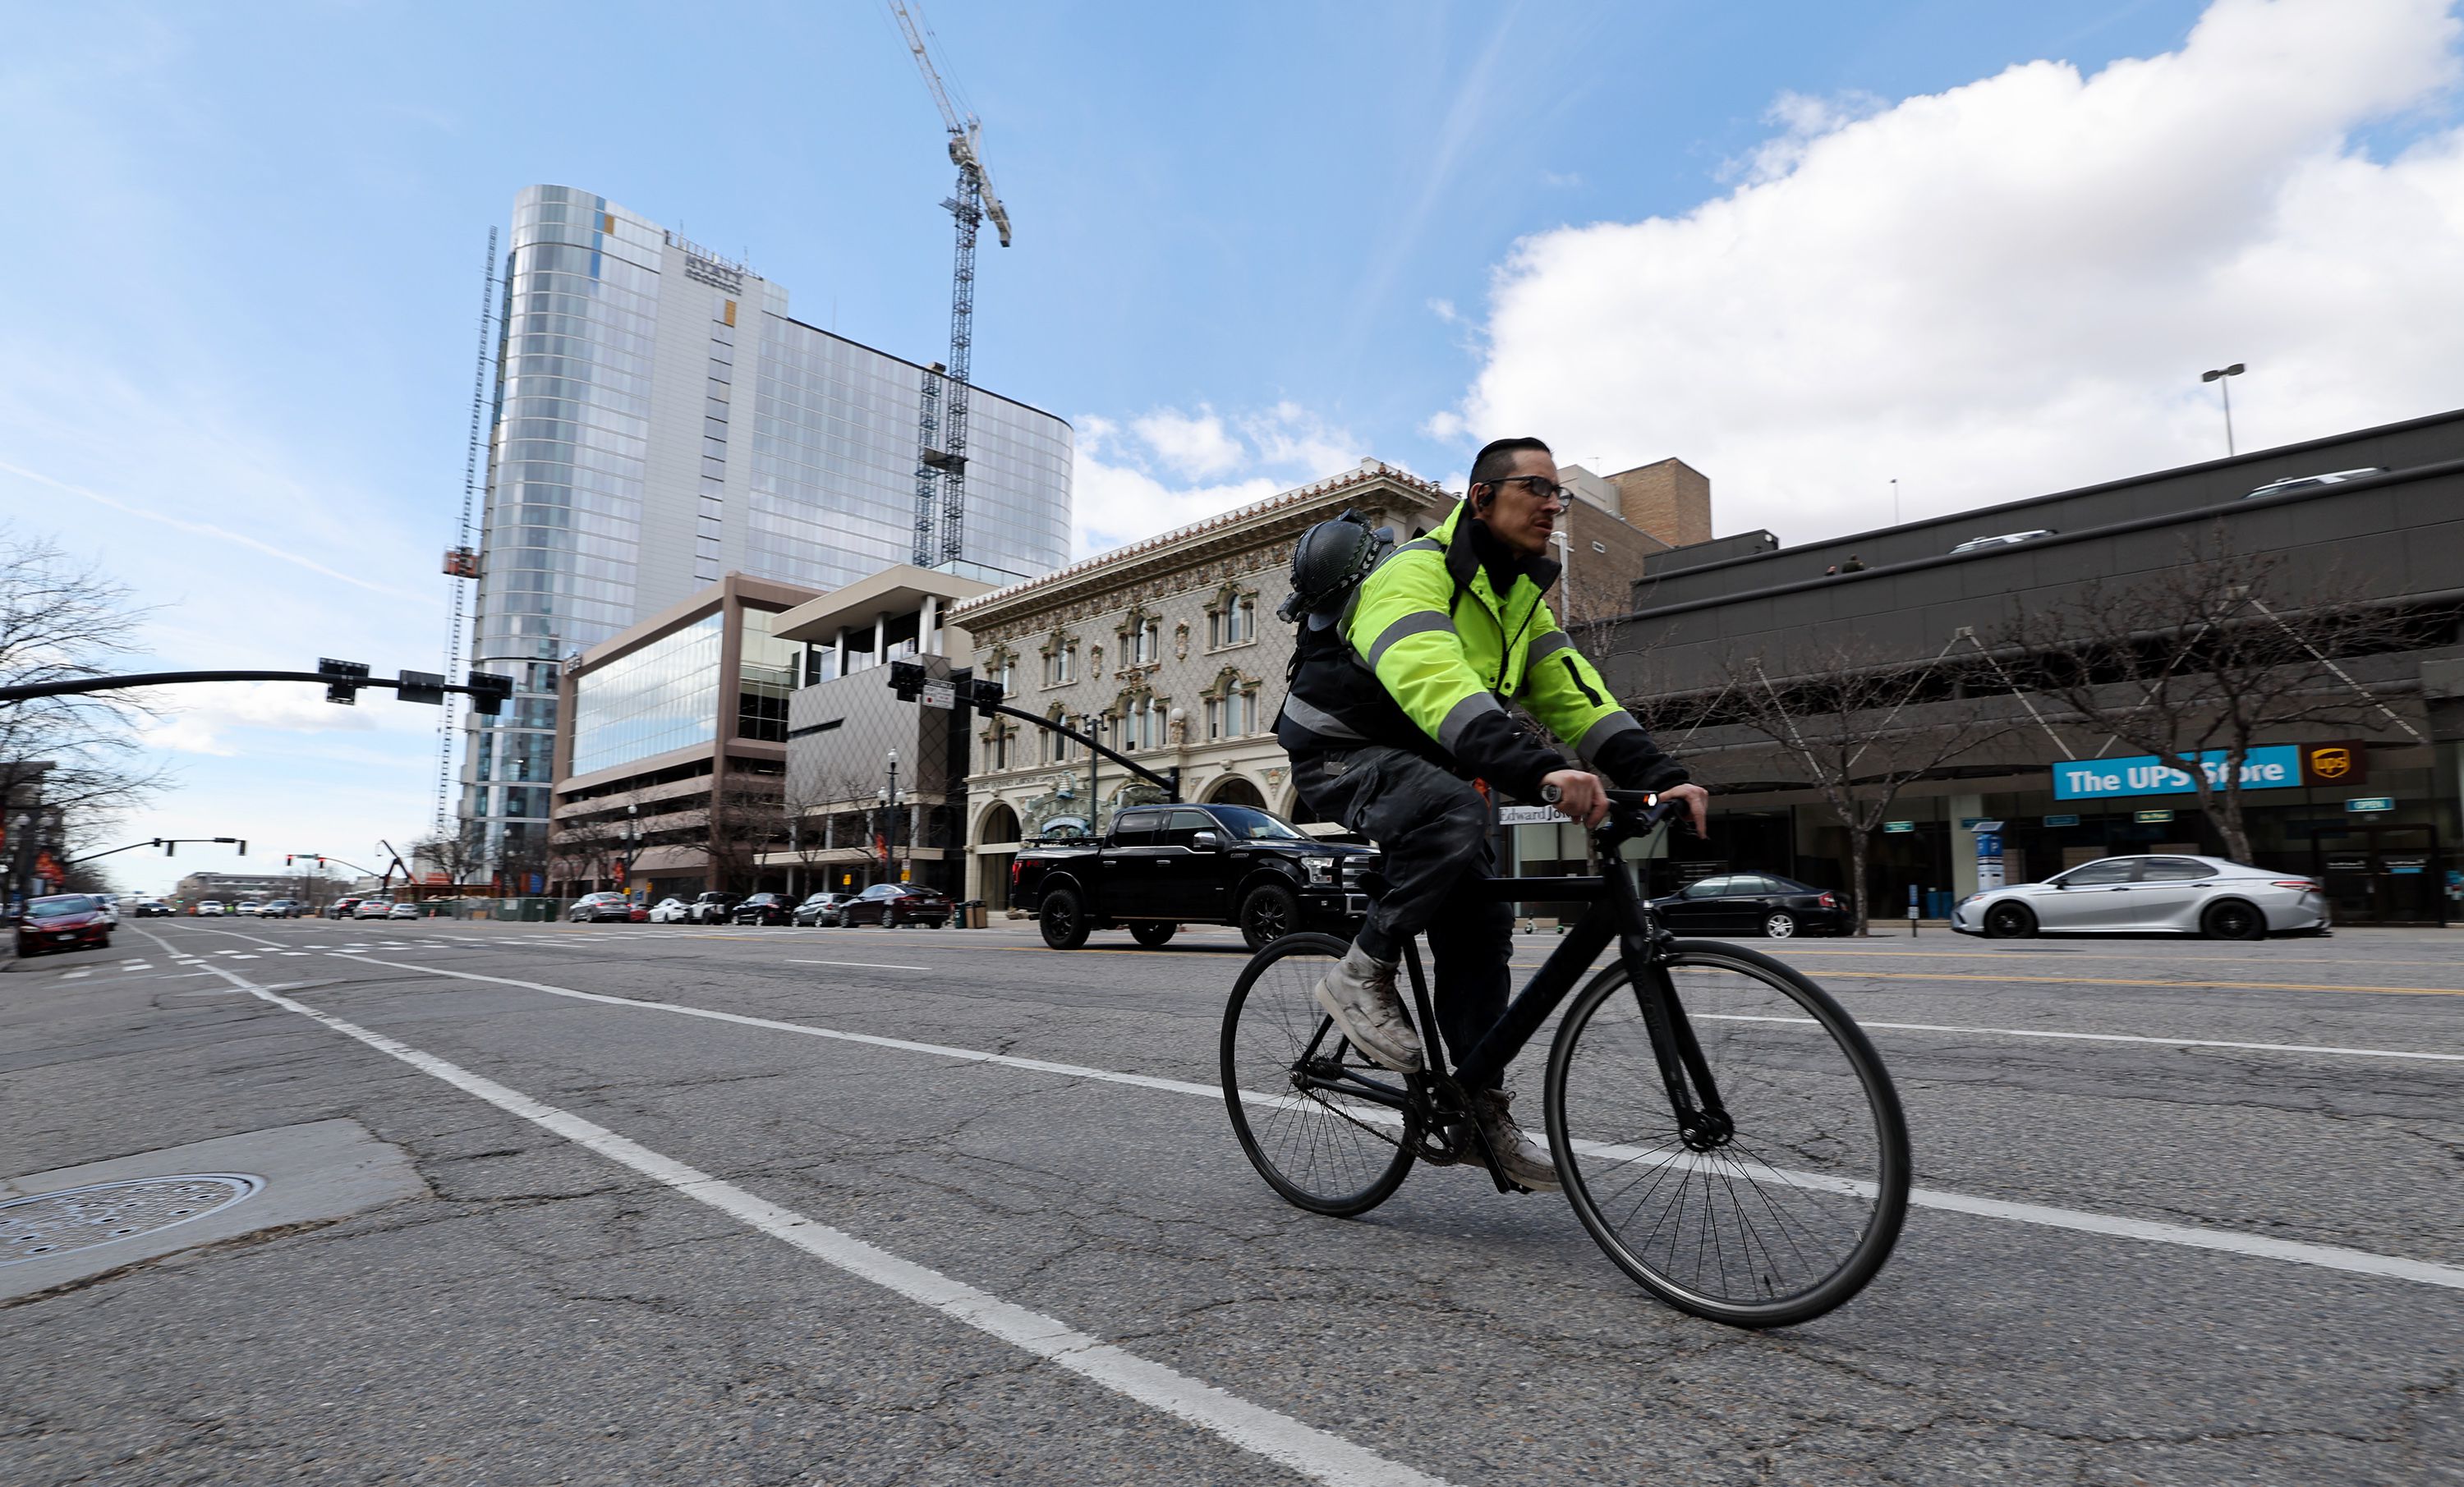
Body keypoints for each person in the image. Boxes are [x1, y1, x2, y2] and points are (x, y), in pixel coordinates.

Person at [1275, 435, 1709, 1191]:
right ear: (1482, 498)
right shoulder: (1410, 576)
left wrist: (1662, 775)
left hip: (1431, 763)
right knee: (1454, 811)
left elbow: (1577, 698)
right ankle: (1360, 973)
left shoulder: (1517, 603)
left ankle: (1478, 1108)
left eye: (1558, 492)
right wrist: (1542, 769)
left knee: (1481, 929)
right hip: (1339, 752)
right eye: (1535, 488)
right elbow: (1438, 686)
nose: (1552, 504)